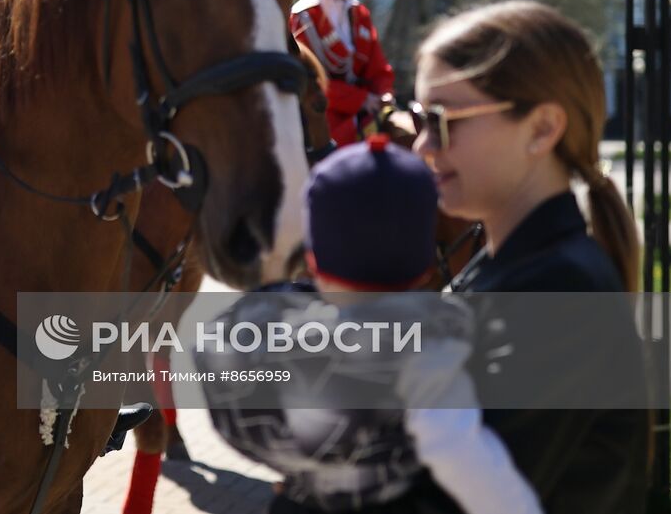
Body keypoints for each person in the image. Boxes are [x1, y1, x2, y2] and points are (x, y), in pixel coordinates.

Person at [199, 135, 543, 514]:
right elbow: (467, 464)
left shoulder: (259, 350)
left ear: (313, 263)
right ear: (426, 267)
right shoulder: (431, 355)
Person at [409, 0, 647, 513]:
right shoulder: (510, 264)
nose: (422, 146)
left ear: (541, 129)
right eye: (415, 119)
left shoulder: (561, 290)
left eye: (442, 120)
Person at [290, 0, 394, 146]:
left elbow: (378, 67)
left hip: (367, 107)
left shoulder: (360, 14)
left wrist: (384, 95)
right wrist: (360, 100)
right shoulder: (303, 16)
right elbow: (309, 77)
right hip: (322, 113)